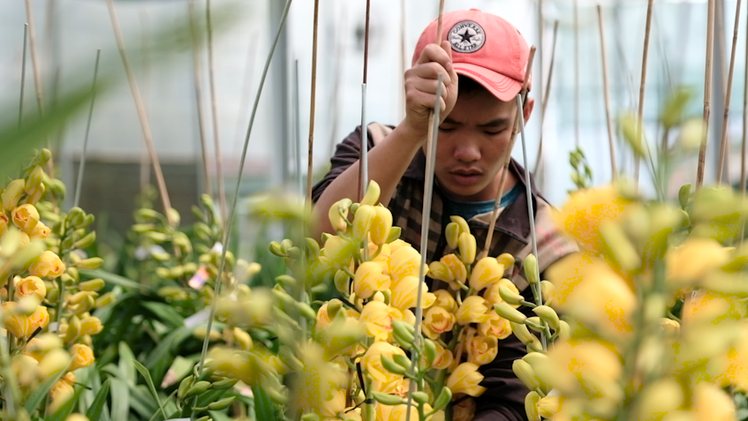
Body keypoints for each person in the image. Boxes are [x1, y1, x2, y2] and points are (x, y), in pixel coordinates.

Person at [312, 9, 578, 421]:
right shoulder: (377, 149)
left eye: (491, 130)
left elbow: (510, 398)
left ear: (523, 116)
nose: (467, 151)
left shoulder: (542, 242)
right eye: (446, 126)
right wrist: (413, 130)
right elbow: (320, 237)